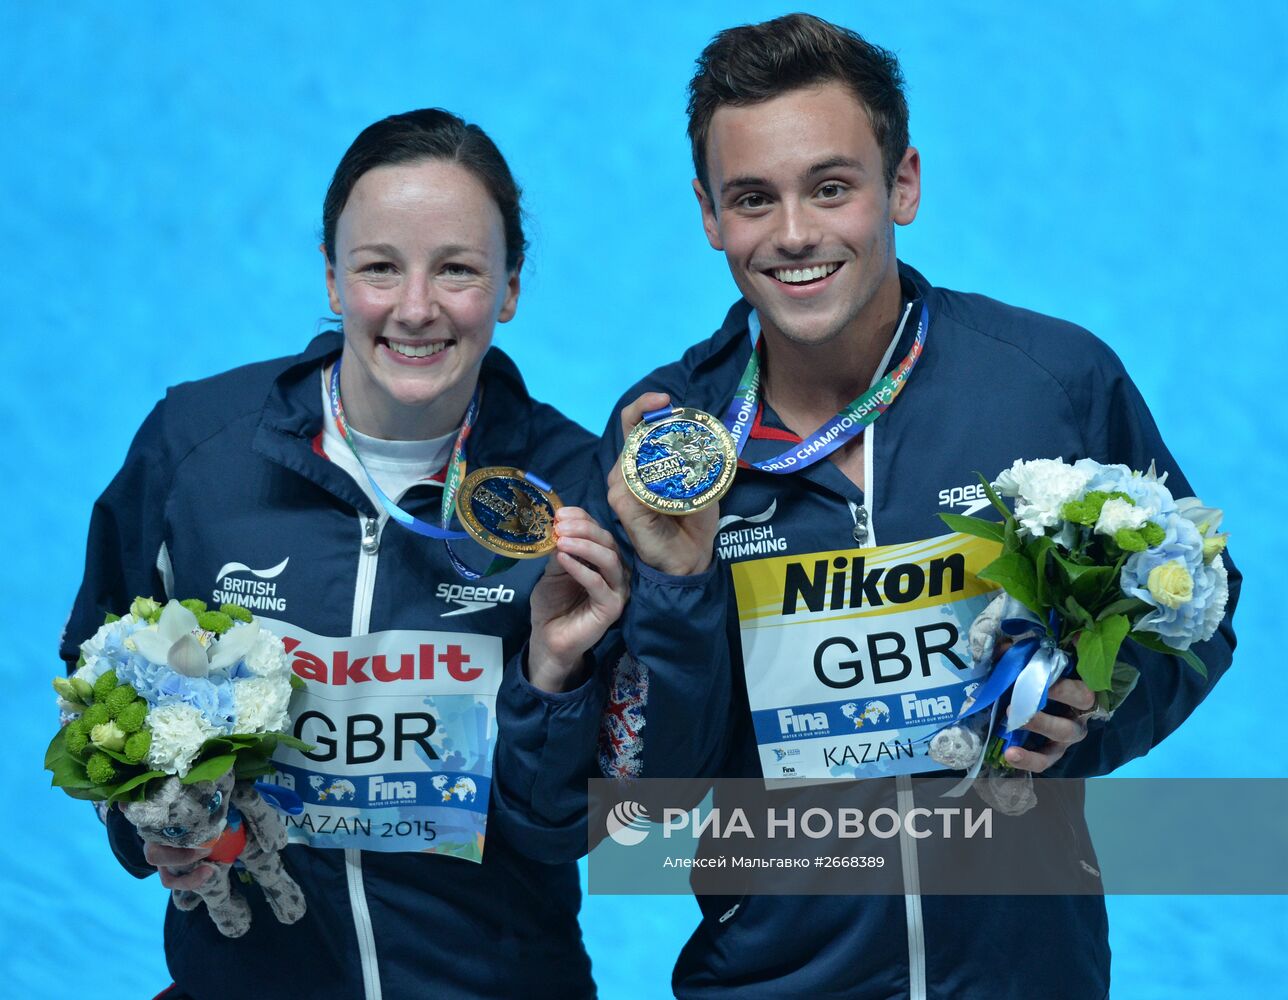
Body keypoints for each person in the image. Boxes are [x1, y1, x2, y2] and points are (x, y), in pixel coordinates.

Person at [595, 13, 1241, 999]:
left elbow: (1202, 602)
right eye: (752, 199)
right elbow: (652, 787)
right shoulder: (670, 445)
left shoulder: (1049, 382)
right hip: (769, 976)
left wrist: (1092, 712)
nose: (795, 233)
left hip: (1028, 973)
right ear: (709, 215)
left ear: (902, 184)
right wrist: (678, 581)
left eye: (831, 186)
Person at [61, 108, 625, 1000]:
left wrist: (554, 674)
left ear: (510, 287)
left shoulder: (573, 489)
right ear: (332, 276)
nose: (415, 307)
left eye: (459, 270)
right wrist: (149, 823)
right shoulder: (198, 453)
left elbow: (585, 830)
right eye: (378, 268)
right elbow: (94, 672)